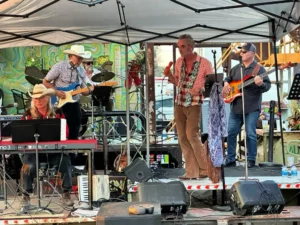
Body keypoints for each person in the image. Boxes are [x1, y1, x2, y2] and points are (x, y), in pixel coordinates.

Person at [164, 34, 214, 180]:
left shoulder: (205, 63)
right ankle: (191, 171)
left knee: (192, 134)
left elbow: (211, 84)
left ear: (191, 47)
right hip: (179, 101)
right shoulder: (179, 62)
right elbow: (177, 82)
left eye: (183, 46)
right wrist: (169, 75)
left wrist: (200, 90)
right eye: (178, 46)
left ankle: (205, 169)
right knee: (182, 137)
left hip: (195, 102)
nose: (180, 49)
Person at [20, 84, 73, 208]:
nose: (39, 101)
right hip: (33, 152)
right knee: (28, 165)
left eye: (42, 98)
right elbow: (21, 134)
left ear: (48, 98)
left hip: (53, 152)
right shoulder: (27, 114)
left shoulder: (57, 112)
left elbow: (65, 132)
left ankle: (66, 193)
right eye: (36, 98)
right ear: (33, 100)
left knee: (65, 160)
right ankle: (25, 195)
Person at [222, 43, 271, 167]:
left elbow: (267, 86)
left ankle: (251, 159)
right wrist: (226, 84)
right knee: (231, 132)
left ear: (252, 54)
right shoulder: (236, 68)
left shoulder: (259, 69)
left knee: (250, 133)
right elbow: (228, 78)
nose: (241, 53)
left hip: (252, 107)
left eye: (244, 52)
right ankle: (231, 158)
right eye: (241, 52)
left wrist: (260, 84)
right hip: (236, 106)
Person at [43, 45, 93, 140]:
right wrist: (57, 92)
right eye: (78, 57)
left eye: (81, 58)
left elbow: (84, 92)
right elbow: (45, 82)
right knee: (58, 130)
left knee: (74, 128)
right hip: (59, 103)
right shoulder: (59, 66)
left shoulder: (80, 71)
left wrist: (90, 90)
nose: (80, 60)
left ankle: (72, 152)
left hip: (74, 103)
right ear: (70, 56)